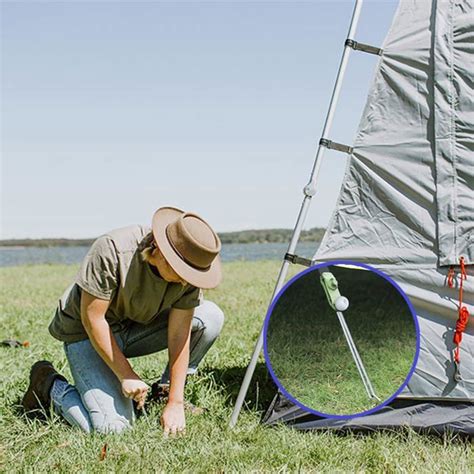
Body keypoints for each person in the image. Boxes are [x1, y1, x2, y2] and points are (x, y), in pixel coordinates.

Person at [21, 207, 224, 436]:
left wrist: (175, 402)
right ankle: (48, 386)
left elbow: (179, 334)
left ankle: (163, 394)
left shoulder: (190, 275)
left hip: (134, 326)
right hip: (86, 332)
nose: (186, 281)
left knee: (210, 316)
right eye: (181, 271)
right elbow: (92, 319)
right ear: (158, 248)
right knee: (113, 429)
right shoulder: (112, 250)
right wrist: (126, 374)